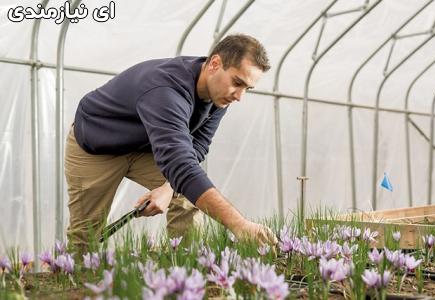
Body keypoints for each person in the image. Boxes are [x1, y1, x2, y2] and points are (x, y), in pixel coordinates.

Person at [64, 33, 278, 252]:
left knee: (187, 197)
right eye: (237, 83)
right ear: (214, 64)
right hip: (97, 146)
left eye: (247, 88)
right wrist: (239, 225)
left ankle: (187, 269)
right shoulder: (165, 89)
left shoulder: (219, 96)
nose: (239, 96)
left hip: (145, 146)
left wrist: (168, 188)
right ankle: (76, 279)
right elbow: (180, 164)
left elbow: (197, 146)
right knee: (86, 233)